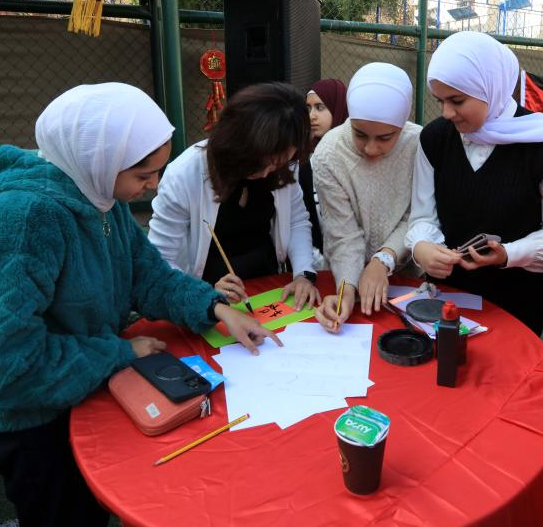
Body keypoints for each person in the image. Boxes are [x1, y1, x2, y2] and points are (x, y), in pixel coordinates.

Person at [0, 83, 279, 527]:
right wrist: (117, 353)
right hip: (29, 417)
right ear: (98, 161)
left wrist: (215, 307)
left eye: (157, 170)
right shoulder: (23, 220)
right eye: (143, 173)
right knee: (66, 522)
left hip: (80, 385)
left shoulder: (99, 194)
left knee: (97, 506)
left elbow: (146, 272)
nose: (154, 185)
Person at [405, 31, 543, 334]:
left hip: (515, 303)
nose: (447, 113)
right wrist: (423, 247)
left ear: (491, 88)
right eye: (440, 100)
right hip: (445, 301)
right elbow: (423, 215)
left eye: (457, 100)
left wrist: (509, 253)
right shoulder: (435, 139)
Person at [149, 82, 321, 310]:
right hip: (205, 296)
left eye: (278, 164)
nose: (267, 173)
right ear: (238, 142)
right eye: (262, 162)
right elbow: (160, 259)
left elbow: (297, 219)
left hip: (269, 288)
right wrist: (204, 295)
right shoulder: (185, 175)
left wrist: (303, 274)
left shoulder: (281, 165)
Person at [310, 63, 422, 331]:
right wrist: (346, 289)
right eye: (359, 134)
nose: (371, 148)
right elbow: (341, 231)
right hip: (343, 272)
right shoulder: (329, 153)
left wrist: (384, 260)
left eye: (385, 137)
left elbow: (418, 215)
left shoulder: (419, 144)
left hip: (406, 281)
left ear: (402, 126)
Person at [299, 79, 348, 264]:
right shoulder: (301, 156)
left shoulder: (352, 155)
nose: (312, 116)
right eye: (308, 108)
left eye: (320, 107)